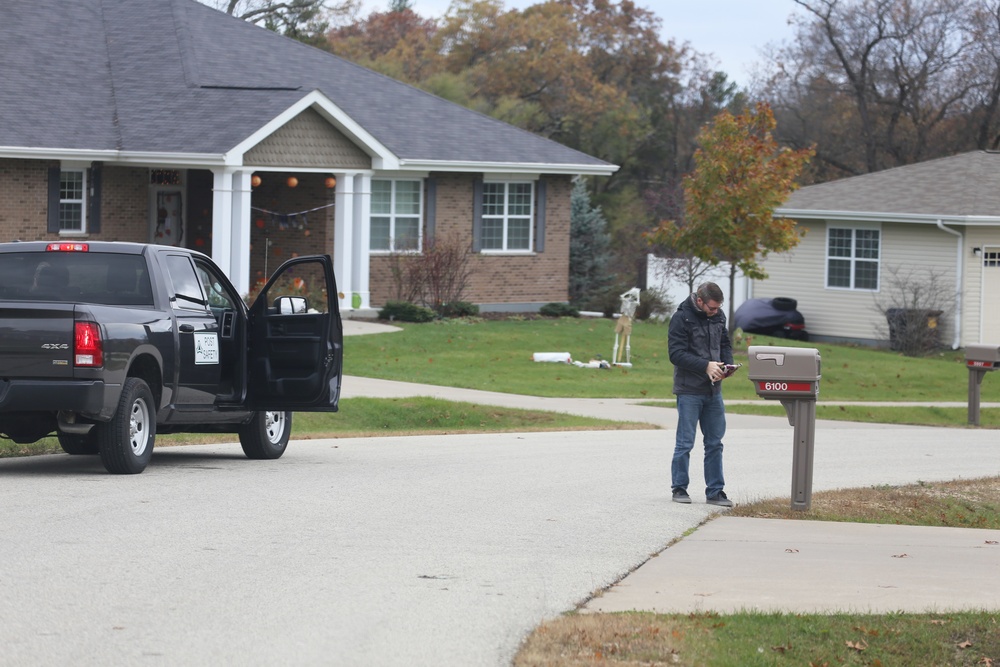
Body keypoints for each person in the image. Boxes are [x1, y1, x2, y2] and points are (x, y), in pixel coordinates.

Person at [667, 282, 734, 507]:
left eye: (718, 308)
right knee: (685, 442)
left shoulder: (718, 317)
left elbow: (724, 343)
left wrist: (727, 366)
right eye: (712, 308)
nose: (715, 311)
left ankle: (715, 491)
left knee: (715, 443)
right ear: (699, 301)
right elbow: (676, 354)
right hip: (689, 390)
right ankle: (679, 488)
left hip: (714, 390)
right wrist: (705, 365)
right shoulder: (680, 318)